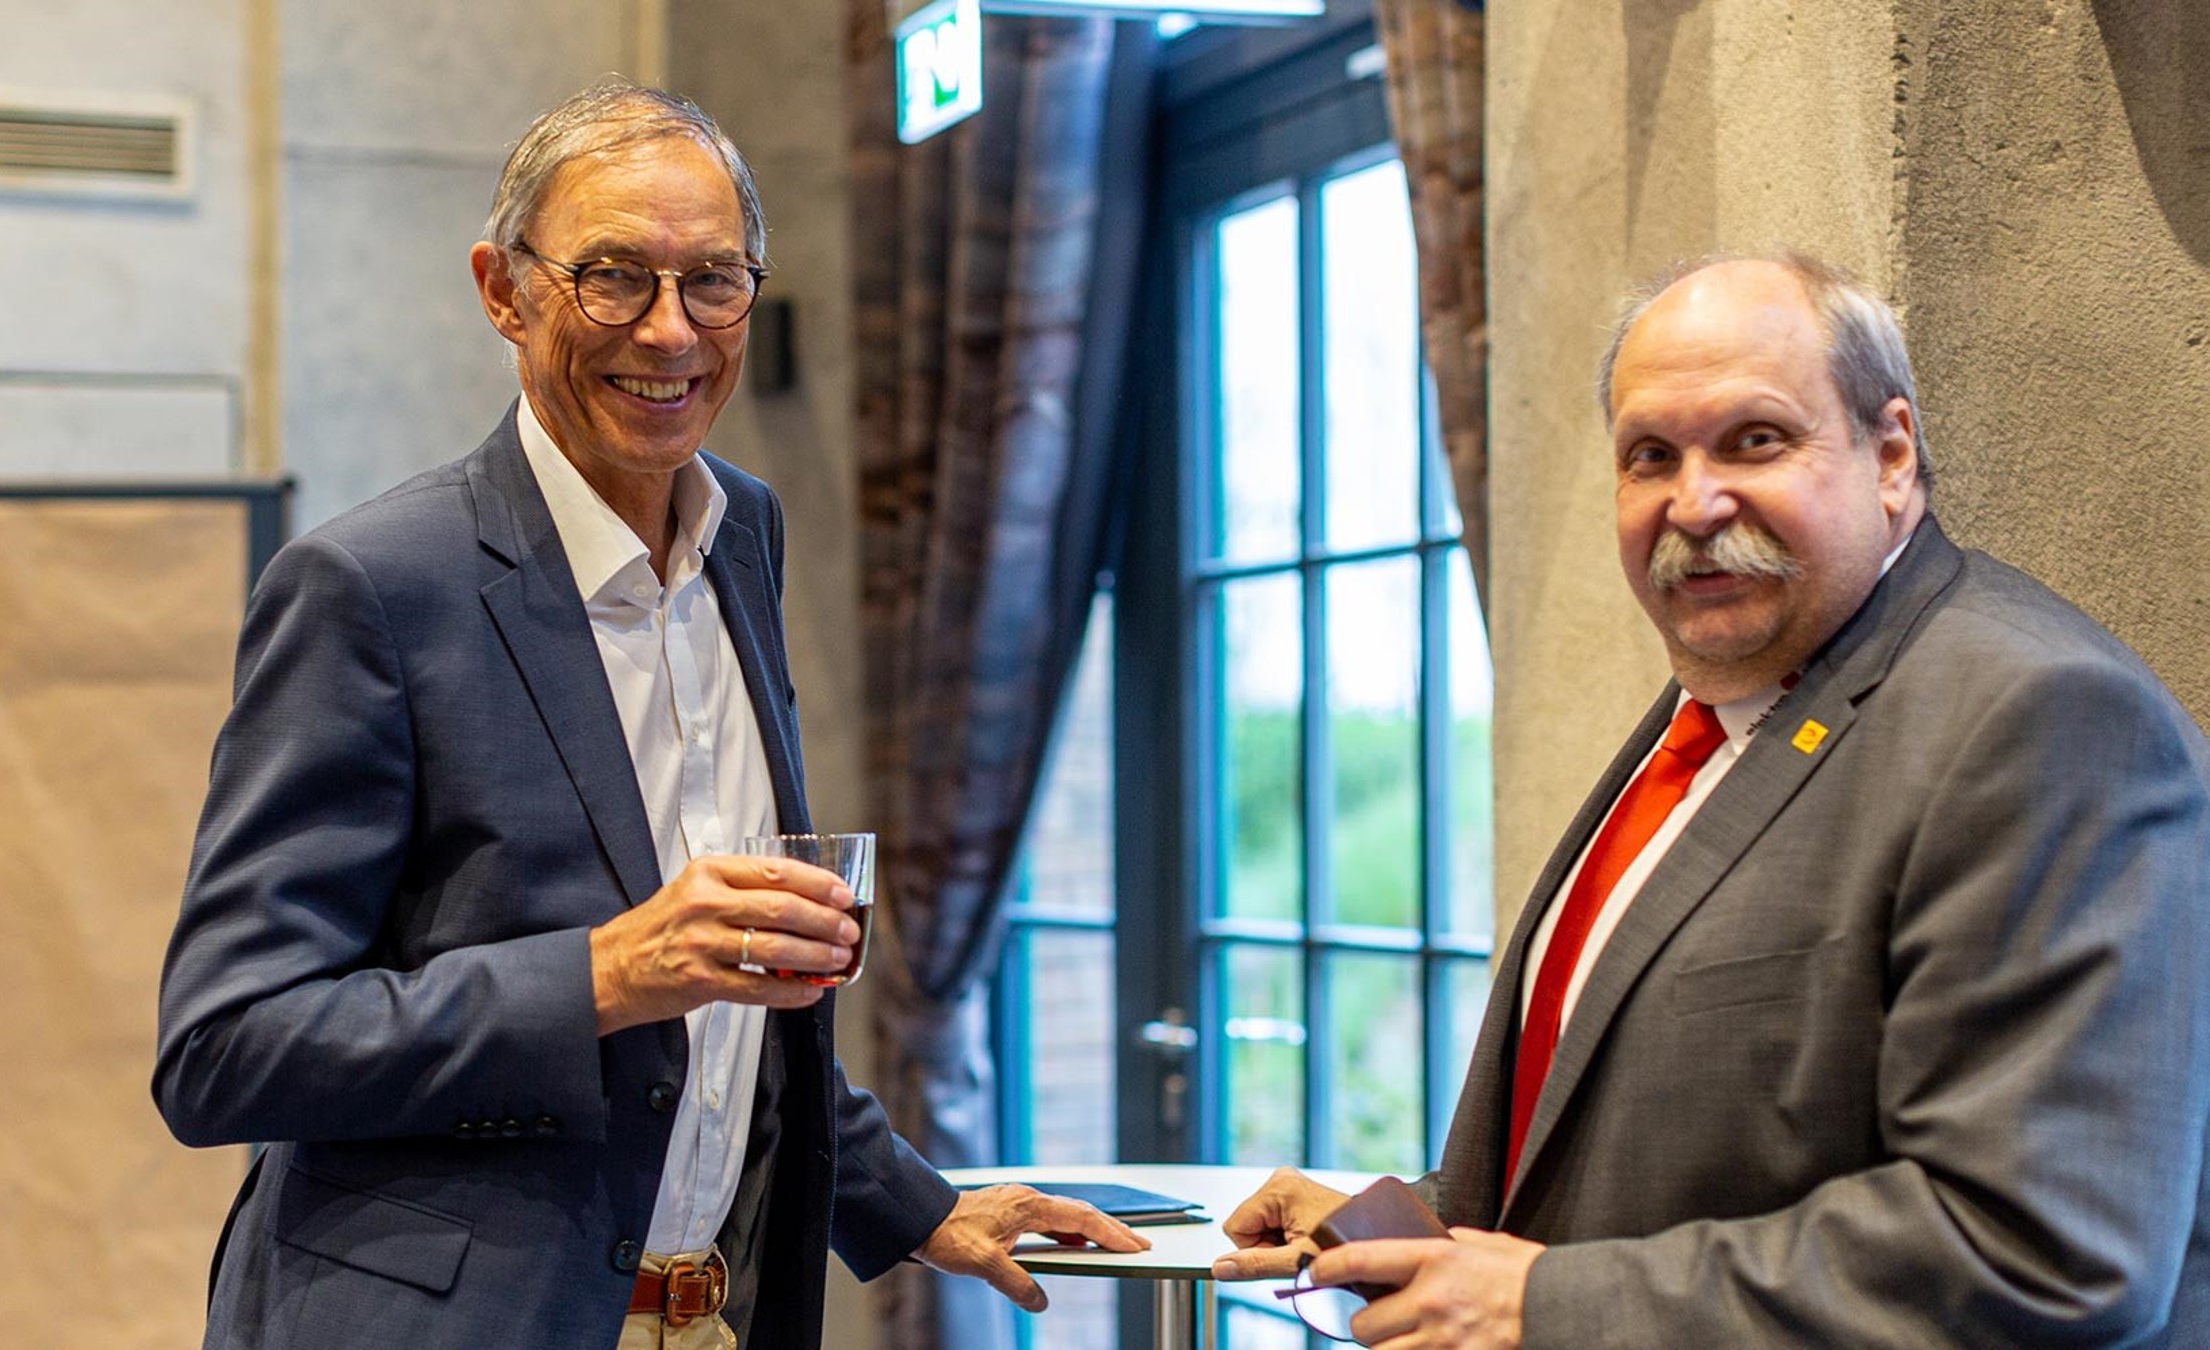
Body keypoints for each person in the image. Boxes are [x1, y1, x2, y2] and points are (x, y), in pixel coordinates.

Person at [153, 81, 1140, 1350]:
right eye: (613, 277)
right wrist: (607, 976)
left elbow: (726, 1017)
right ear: (504, 292)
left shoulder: (744, 535)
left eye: (713, 281)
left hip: (708, 1317)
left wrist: (914, 1204)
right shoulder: (372, 587)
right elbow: (226, 1046)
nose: (671, 332)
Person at [1214, 253, 2210, 1347]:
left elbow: (2041, 1253)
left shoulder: (2044, 719)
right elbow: (1669, 1146)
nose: (1694, 503)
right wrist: (1413, 1231)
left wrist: (1542, 1304)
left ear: (1890, 455)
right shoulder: (1723, 700)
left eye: (1756, 440)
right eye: (1651, 456)